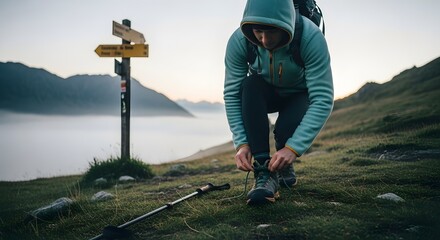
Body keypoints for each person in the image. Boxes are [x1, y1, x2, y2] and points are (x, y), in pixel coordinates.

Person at [224, 0, 334, 205]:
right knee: (249, 85)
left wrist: (292, 149)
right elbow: (232, 95)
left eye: (272, 32)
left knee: (285, 132)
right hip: (265, 91)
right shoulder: (239, 40)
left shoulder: (310, 37)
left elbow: (322, 98)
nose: (264, 40)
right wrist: (242, 143)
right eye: (258, 32)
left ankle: (283, 164)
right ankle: (264, 172)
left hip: (299, 94)